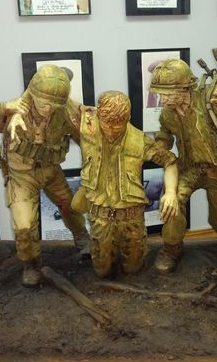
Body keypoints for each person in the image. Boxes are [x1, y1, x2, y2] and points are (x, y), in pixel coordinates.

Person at [0, 64, 89, 287]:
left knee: (69, 206)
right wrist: (3, 108)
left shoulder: (66, 111)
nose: (48, 109)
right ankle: (31, 263)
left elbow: (88, 139)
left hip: (51, 171)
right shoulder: (15, 112)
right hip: (21, 176)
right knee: (24, 226)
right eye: (43, 103)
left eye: (54, 105)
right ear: (32, 93)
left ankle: (82, 239)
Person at [147, 59, 217, 273]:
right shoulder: (167, 114)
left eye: (167, 94)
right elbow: (164, 136)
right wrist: (157, 148)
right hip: (189, 168)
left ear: (185, 88)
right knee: (172, 203)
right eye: (160, 94)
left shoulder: (211, 98)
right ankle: (171, 248)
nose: (162, 99)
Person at [71, 91, 179, 278]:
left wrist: (170, 192)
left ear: (128, 119)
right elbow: (59, 103)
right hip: (100, 217)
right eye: (107, 125)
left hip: (131, 218)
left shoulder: (140, 141)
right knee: (102, 270)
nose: (112, 131)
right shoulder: (87, 129)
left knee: (133, 268)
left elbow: (170, 162)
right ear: (99, 117)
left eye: (118, 126)